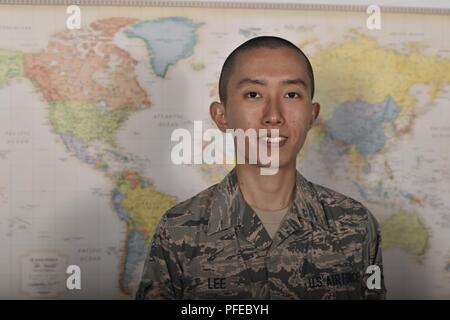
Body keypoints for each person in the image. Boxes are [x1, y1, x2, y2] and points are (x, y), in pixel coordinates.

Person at [135, 36, 387, 300]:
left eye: (291, 94)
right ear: (222, 116)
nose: (274, 115)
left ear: (312, 114)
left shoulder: (357, 226)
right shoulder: (178, 229)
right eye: (253, 94)